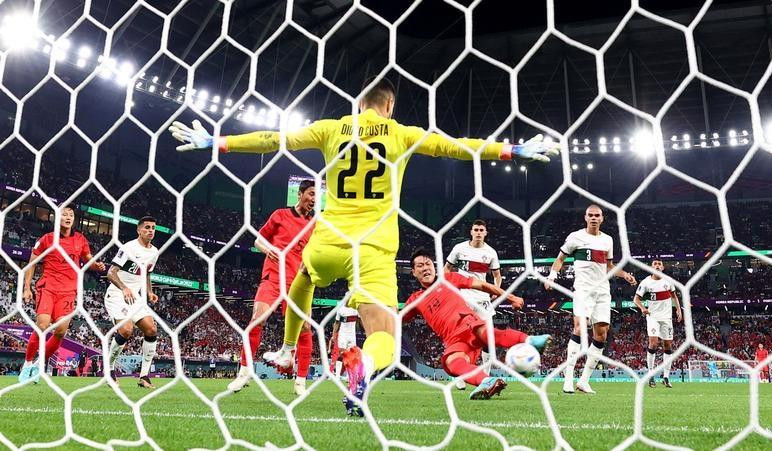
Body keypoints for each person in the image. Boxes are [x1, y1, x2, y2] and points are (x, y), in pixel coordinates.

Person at [169, 77, 559, 412]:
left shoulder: (330, 128)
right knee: (384, 337)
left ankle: (288, 348)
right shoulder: (401, 133)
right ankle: (363, 365)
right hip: (373, 250)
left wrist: (217, 142)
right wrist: (512, 150)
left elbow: (273, 139)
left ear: (359, 105)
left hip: (328, 240)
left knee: (304, 279)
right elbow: (454, 146)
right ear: (388, 106)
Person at [403, 248, 551, 405]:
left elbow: (482, 285)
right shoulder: (415, 300)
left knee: (486, 333)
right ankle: (487, 381)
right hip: (454, 340)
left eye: (428, 264)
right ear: (413, 272)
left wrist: (511, 297)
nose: (425, 268)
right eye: (420, 266)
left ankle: (530, 340)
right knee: (451, 362)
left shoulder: (449, 278)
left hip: (467, 322)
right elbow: (397, 320)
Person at [228, 180, 316, 395]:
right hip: (274, 277)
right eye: (311, 194)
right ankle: (244, 373)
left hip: (298, 283)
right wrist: (268, 249)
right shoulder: (280, 215)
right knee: (257, 318)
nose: (313, 199)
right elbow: (258, 240)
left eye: (317, 197)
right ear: (300, 193)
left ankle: (300, 381)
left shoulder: (316, 225)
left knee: (305, 328)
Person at [545, 205, 636, 394]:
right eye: (590, 215)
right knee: (580, 327)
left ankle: (584, 381)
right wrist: (552, 276)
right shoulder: (575, 237)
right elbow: (560, 258)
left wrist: (624, 274)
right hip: (583, 289)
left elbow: (609, 266)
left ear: (602, 219)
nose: (594, 218)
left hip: (603, 291)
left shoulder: (607, 240)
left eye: (597, 215)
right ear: (585, 217)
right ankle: (568, 378)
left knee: (601, 335)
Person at [18, 206, 105, 383]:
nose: (68, 217)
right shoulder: (46, 239)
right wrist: (27, 287)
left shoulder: (80, 239)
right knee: (42, 325)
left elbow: (88, 259)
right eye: (64, 214)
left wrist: (97, 266)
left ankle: (38, 365)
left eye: (71, 215)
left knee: (60, 331)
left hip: (68, 291)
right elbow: (31, 263)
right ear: (57, 218)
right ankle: (27, 364)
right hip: (48, 287)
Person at [103, 216, 161, 389]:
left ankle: (144, 376)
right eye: (147, 227)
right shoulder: (128, 248)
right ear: (139, 230)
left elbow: (147, 273)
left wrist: (149, 291)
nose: (151, 230)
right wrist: (124, 288)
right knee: (126, 330)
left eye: (153, 228)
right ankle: (109, 370)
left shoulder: (154, 252)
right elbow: (111, 273)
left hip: (136, 297)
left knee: (151, 329)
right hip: (117, 295)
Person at [444, 219, 502, 388]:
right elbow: (447, 270)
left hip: (482, 300)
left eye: (481, 230)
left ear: (485, 233)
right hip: (463, 299)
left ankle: (486, 377)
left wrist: (494, 292)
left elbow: (497, 276)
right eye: (475, 229)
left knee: (488, 339)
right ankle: (459, 376)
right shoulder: (459, 249)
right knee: (461, 339)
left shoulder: (491, 253)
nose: (478, 232)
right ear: (471, 231)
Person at [632, 260, 682, 388]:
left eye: (659, 264)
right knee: (653, 343)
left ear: (663, 267)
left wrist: (678, 310)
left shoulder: (668, 281)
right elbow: (636, 299)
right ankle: (650, 375)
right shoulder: (646, 283)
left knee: (668, 346)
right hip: (652, 317)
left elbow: (674, 296)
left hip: (667, 318)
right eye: (655, 264)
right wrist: (643, 308)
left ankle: (666, 377)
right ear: (651, 267)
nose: (657, 266)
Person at [328, 304, 359, 379]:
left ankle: (349, 376)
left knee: (351, 355)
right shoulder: (340, 309)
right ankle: (337, 376)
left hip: (352, 334)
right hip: (343, 334)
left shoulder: (356, 309)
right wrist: (333, 334)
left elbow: (359, 320)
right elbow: (337, 322)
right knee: (341, 354)